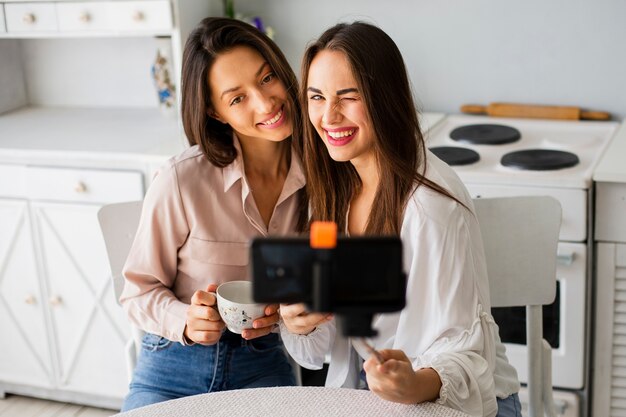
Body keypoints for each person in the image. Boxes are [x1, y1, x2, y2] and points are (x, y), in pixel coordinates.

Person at [278, 22, 522, 417]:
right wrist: (301, 320)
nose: (329, 115)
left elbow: (462, 352)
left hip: (460, 403)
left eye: (349, 96)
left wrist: (413, 384)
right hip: (371, 396)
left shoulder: (430, 205)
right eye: (317, 97)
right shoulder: (334, 192)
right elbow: (319, 345)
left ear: (384, 97)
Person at [119, 17, 307, 411]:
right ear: (215, 112)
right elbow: (137, 293)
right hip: (170, 368)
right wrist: (185, 319)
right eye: (237, 98)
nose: (266, 102)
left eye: (268, 78)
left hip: (263, 364)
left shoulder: (321, 180)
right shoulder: (181, 179)